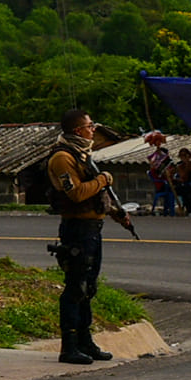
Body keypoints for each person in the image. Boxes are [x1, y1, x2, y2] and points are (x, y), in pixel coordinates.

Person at [44, 109, 117, 366]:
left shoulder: (83, 155)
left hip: (92, 230)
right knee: (76, 288)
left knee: (89, 288)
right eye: (89, 126)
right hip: (76, 230)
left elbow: (96, 195)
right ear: (78, 130)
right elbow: (76, 193)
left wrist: (118, 214)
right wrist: (103, 179)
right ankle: (70, 346)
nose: (93, 130)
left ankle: (86, 342)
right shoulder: (63, 158)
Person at [142, 130, 175, 217]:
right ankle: (169, 210)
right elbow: (161, 176)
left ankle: (168, 209)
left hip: (167, 184)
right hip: (162, 186)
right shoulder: (155, 168)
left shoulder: (167, 165)